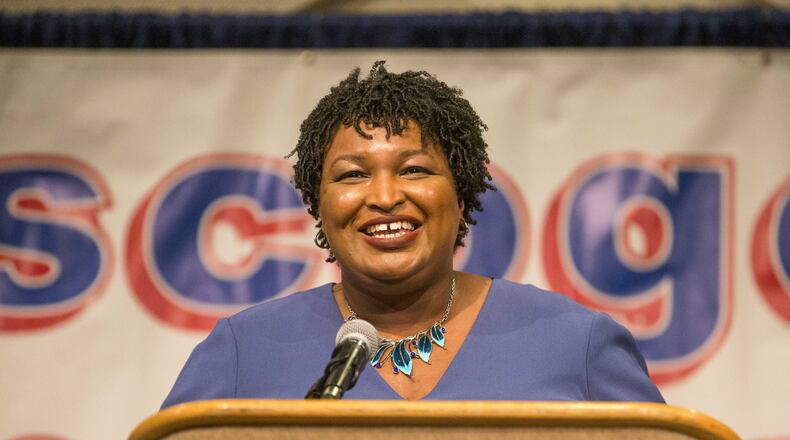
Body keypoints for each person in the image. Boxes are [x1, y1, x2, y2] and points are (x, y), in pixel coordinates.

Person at [161, 61, 664, 407]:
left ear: (461, 192)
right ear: (318, 203)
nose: (383, 196)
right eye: (353, 175)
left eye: (415, 170)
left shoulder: (576, 343)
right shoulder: (242, 351)